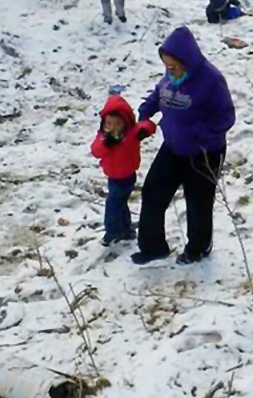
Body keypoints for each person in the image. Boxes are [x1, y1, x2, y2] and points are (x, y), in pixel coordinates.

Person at [133, 27, 236, 266]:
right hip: (173, 146)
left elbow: (226, 117)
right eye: (166, 66)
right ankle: (153, 246)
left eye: (174, 66)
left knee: (198, 201)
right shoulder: (171, 76)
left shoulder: (211, 79)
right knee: (152, 192)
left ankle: (198, 248)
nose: (170, 70)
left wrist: (198, 133)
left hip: (204, 152)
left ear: (187, 60)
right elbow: (160, 93)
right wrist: (146, 111)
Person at [91, 94, 156, 246]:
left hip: (127, 176)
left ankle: (112, 232)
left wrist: (144, 131)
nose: (112, 128)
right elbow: (95, 151)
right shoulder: (103, 137)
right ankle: (125, 229)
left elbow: (148, 125)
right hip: (112, 177)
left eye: (117, 124)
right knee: (120, 203)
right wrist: (106, 143)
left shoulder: (131, 134)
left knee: (114, 204)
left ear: (125, 123)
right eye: (108, 123)